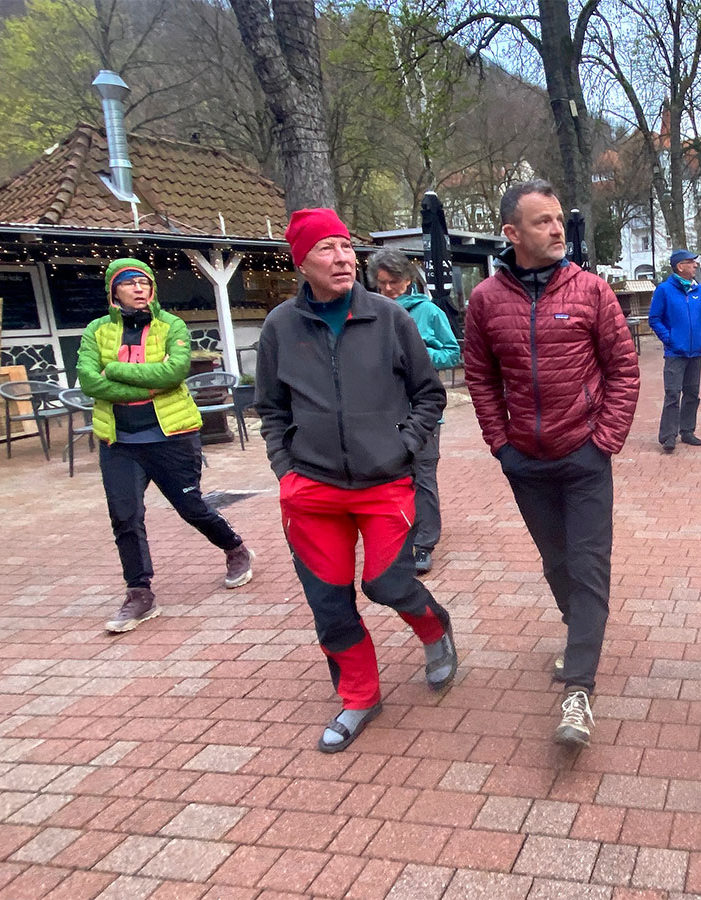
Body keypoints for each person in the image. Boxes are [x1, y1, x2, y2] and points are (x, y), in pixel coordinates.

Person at [255, 208, 456, 753]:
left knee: (387, 583)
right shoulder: (280, 327)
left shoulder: (390, 318)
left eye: (347, 247)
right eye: (327, 249)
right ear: (302, 261)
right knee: (330, 602)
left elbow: (429, 394)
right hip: (312, 491)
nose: (343, 258)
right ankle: (359, 696)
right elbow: (270, 408)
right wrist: (285, 468)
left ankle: (435, 629)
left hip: (384, 483)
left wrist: (403, 446)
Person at [462, 179, 640, 748]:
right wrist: (501, 444)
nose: (558, 229)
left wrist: (604, 440)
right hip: (527, 461)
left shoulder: (592, 291)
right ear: (512, 233)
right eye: (543, 222)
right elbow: (481, 377)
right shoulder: (486, 301)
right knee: (556, 563)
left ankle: (579, 692)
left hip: (585, 456)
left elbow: (623, 371)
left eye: (559, 219)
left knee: (588, 566)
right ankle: (579, 632)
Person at [76, 258, 255, 634]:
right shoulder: (95, 331)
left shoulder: (170, 326)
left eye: (145, 283)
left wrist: (116, 371)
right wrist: (145, 383)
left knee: (192, 508)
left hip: (171, 437)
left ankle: (235, 548)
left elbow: (174, 373)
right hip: (119, 442)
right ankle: (139, 593)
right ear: (114, 291)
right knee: (125, 517)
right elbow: (90, 382)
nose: (139, 289)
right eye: (130, 284)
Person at [369, 250, 461, 575]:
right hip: (383, 411)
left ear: (408, 280)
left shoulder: (429, 311)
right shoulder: (371, 313)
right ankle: (400, 536)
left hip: (423, 410)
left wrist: (420, 353)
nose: (388, 289)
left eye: (393, 282)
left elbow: (453, 353)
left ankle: (424, 543)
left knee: (423, 476)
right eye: (381, 284)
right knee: (394, 477)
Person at [648, 249, 701, 453]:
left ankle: (687, 430)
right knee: (673, 394)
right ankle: (668, 436)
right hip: (676, 353)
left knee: (692, 393)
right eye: (691, 263)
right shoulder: (664, 290)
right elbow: (654, 319)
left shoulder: (698, 290)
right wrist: (670, 339)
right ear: (680, 266)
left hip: (696, 351)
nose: (695, 266)